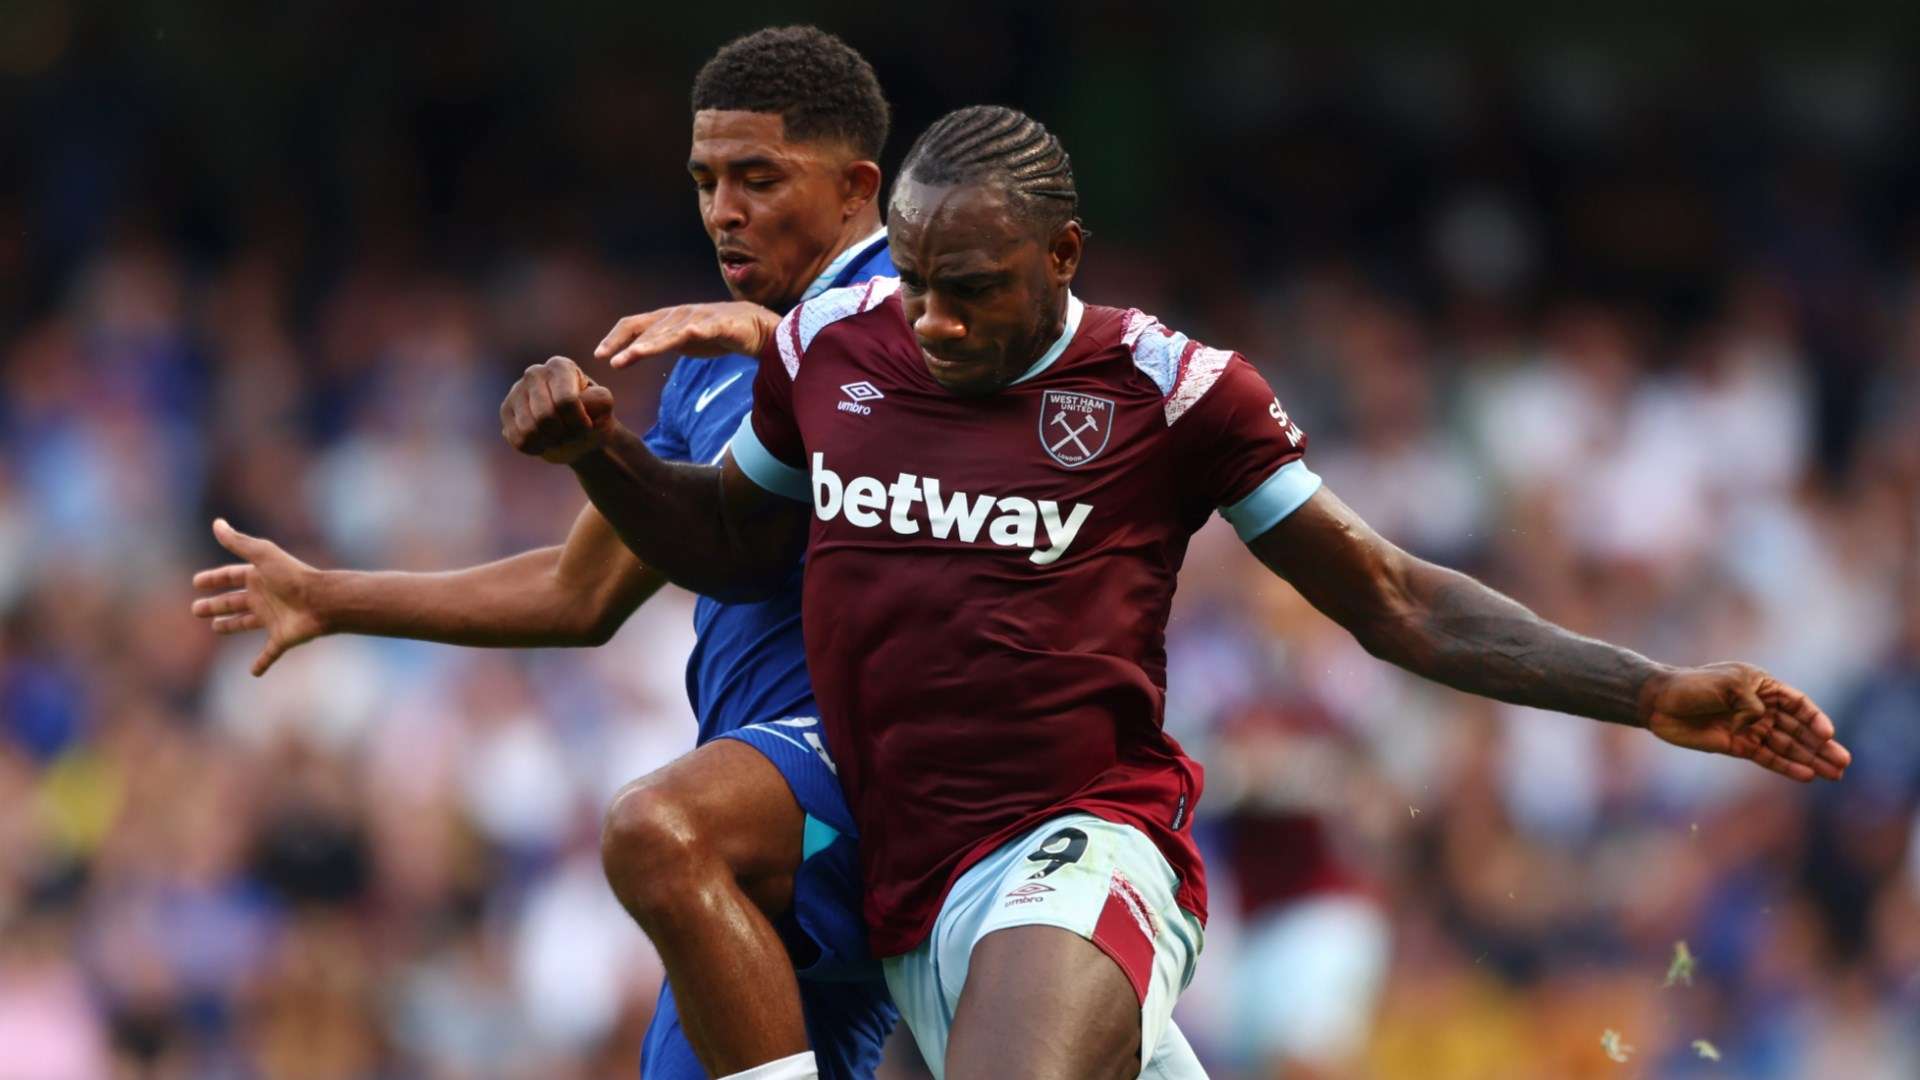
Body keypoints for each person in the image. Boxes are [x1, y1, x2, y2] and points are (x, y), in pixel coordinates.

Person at [505, 104, 1854, 1079]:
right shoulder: (833, 355)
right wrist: (602, 454)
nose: (936, 323)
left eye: (972, 290)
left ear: (1065, 256)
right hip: (909, 886)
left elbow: (1395, 599)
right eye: (915, 284)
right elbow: (729, 545)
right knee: (657, 834)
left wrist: (1653, 688)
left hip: (1075, 843)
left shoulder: (1173, 390)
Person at [192, 26, 899, 1080]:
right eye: (705, 181)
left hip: (887, 775)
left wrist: (780, 345)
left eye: (758, 179)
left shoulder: (932, 307)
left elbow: (976, 372)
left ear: (856, 187)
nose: (723, 211)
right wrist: (332, 595)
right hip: (771, 829)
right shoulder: (705, 371)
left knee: (660, 829)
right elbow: (583, 591)